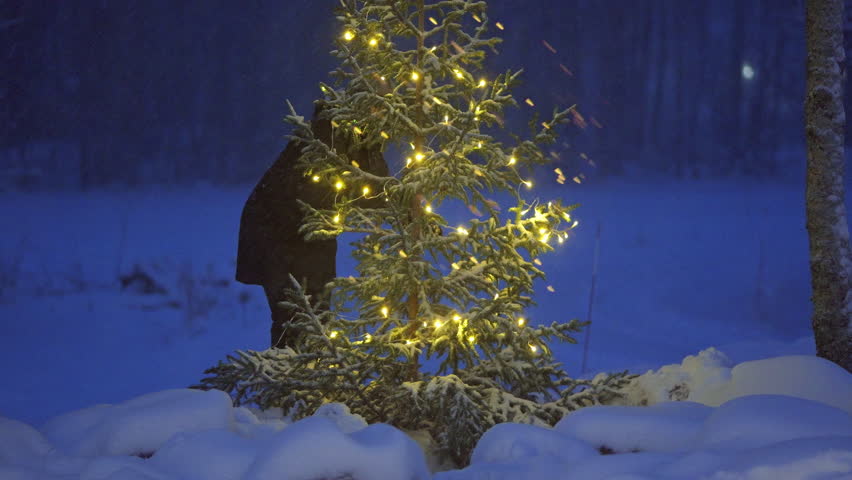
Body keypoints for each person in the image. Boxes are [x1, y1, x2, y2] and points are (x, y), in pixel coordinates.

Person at [236, 103, 387, 348]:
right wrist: (405, 207)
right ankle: (296, 378)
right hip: (284, 239)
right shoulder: (332, 140)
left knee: (304, 317)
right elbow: (369, 189)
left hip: (286, 236)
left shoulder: (337, 134)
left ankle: (299, 372)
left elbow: (372, 187)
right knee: (301, 316)